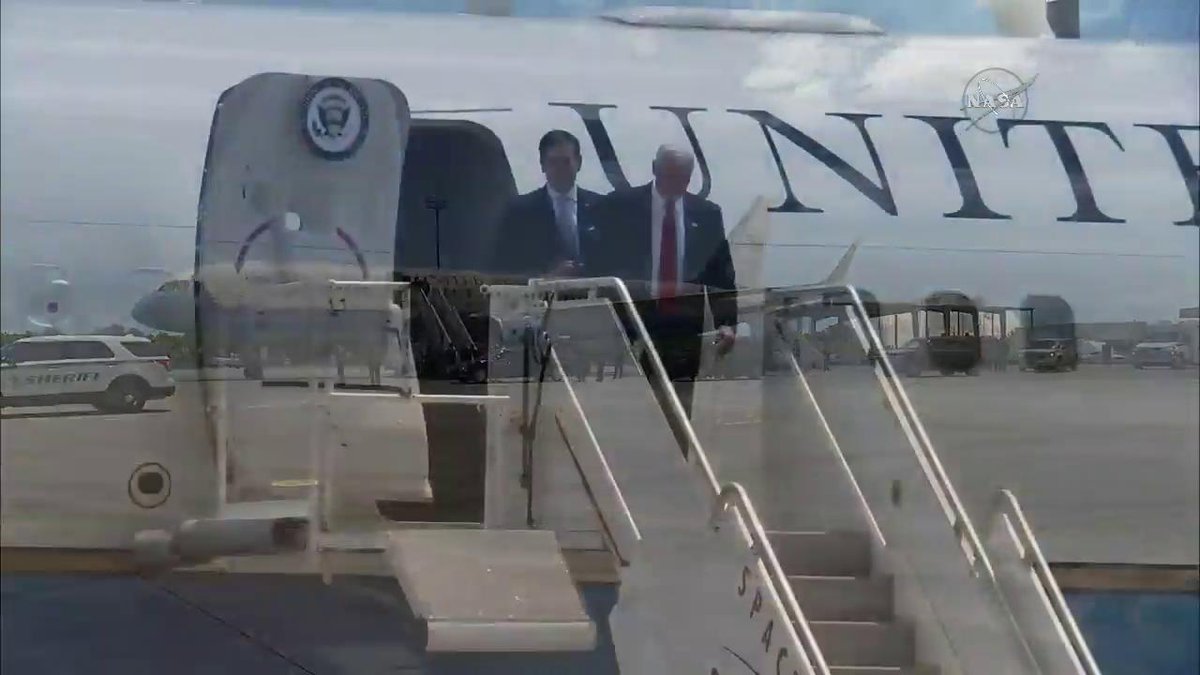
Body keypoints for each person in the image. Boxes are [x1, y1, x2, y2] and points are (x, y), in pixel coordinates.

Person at [584, 144, 737, 428]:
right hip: (632, 321)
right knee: (628, 414)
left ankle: (679, 453)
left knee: (678, 413)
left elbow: (721, 275)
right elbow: (597, 260)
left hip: (684, 325)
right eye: (668, 176)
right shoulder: (619, 206)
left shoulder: (706, 214)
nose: (674, 185)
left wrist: (726, 323)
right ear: (654, 169)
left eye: (682, 179)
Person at [491, 129, 603, 278]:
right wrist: (546, 277)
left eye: (566, 162)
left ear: (579, 163)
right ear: (542, 165)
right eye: (553, 162)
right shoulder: (519, 213)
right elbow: (503, 267)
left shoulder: (601, 208)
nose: (560, 169)